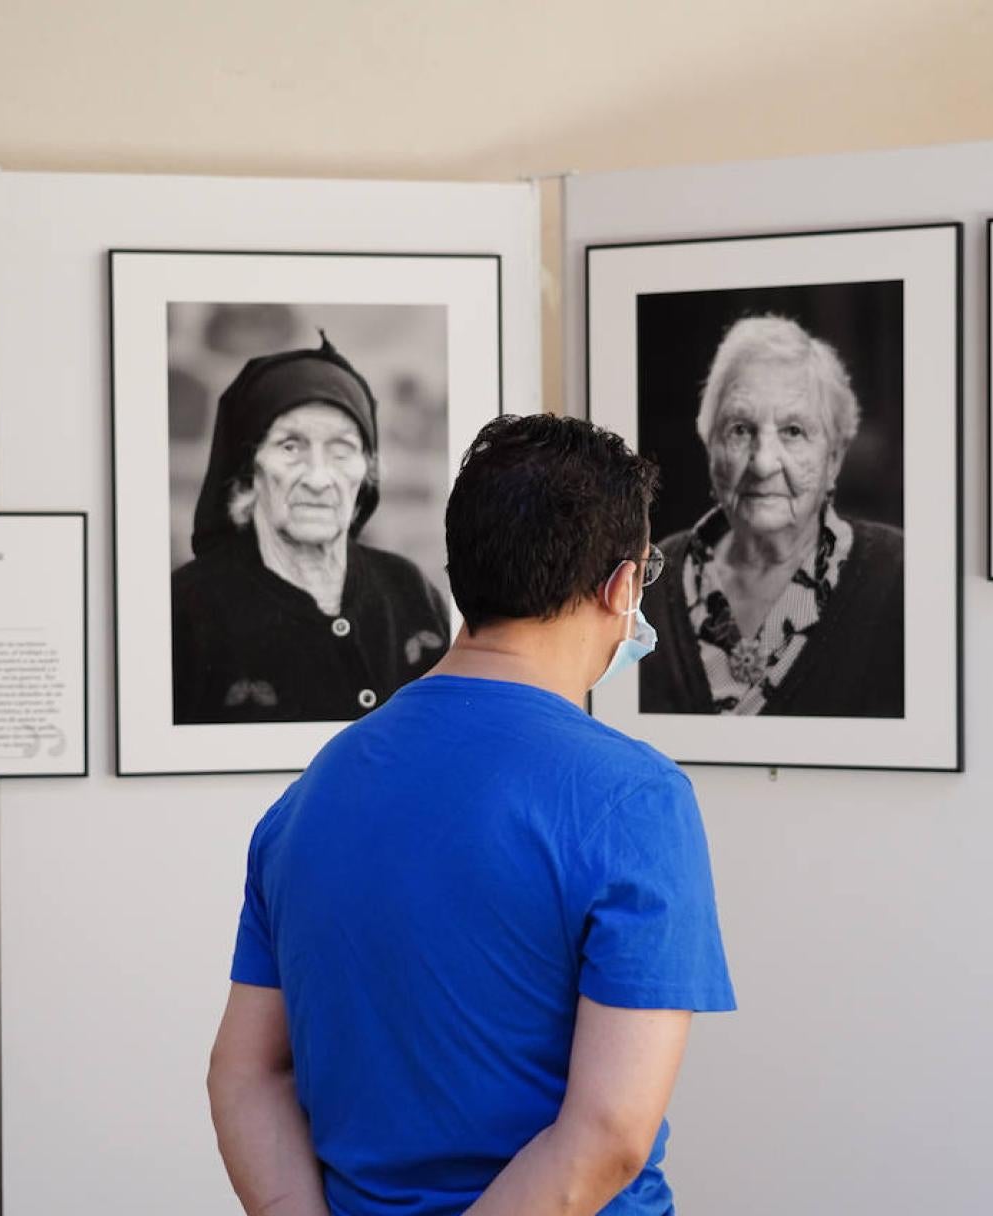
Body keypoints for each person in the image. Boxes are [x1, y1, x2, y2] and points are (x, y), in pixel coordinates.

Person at [207, 413, 735, 1216]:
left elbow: (246, 1074)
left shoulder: (317, 789)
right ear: (623, 587)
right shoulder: (634, 800)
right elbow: (611, 1134)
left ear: (461, 571)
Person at [171, 335, 450, 724]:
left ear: (366, 472)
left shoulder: (410, 590)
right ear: (249, 471)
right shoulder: (186, 610)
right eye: (290, 447)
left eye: (342, 450)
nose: (319, 478)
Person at [639, 314, 904, 718]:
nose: (763, 464)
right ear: (709, 447)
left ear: (834, 457)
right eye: (740, 430)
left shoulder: (900, 576)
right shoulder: (650, 583)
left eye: (793, 431)